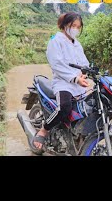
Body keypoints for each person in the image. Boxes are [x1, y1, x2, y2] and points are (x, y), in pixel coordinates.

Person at [32, 12, 90, 150]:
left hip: (78, 84)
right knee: (65, 107)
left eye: (78, 26)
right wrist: (75, 78)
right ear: (65, 25)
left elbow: (84, 62)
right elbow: (56, 64)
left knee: (88, 108)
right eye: (73, 25)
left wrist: (85, 73)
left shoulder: (77, 44)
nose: (75, 29)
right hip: (63, 83)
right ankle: (44, 130)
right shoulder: (55, 41)